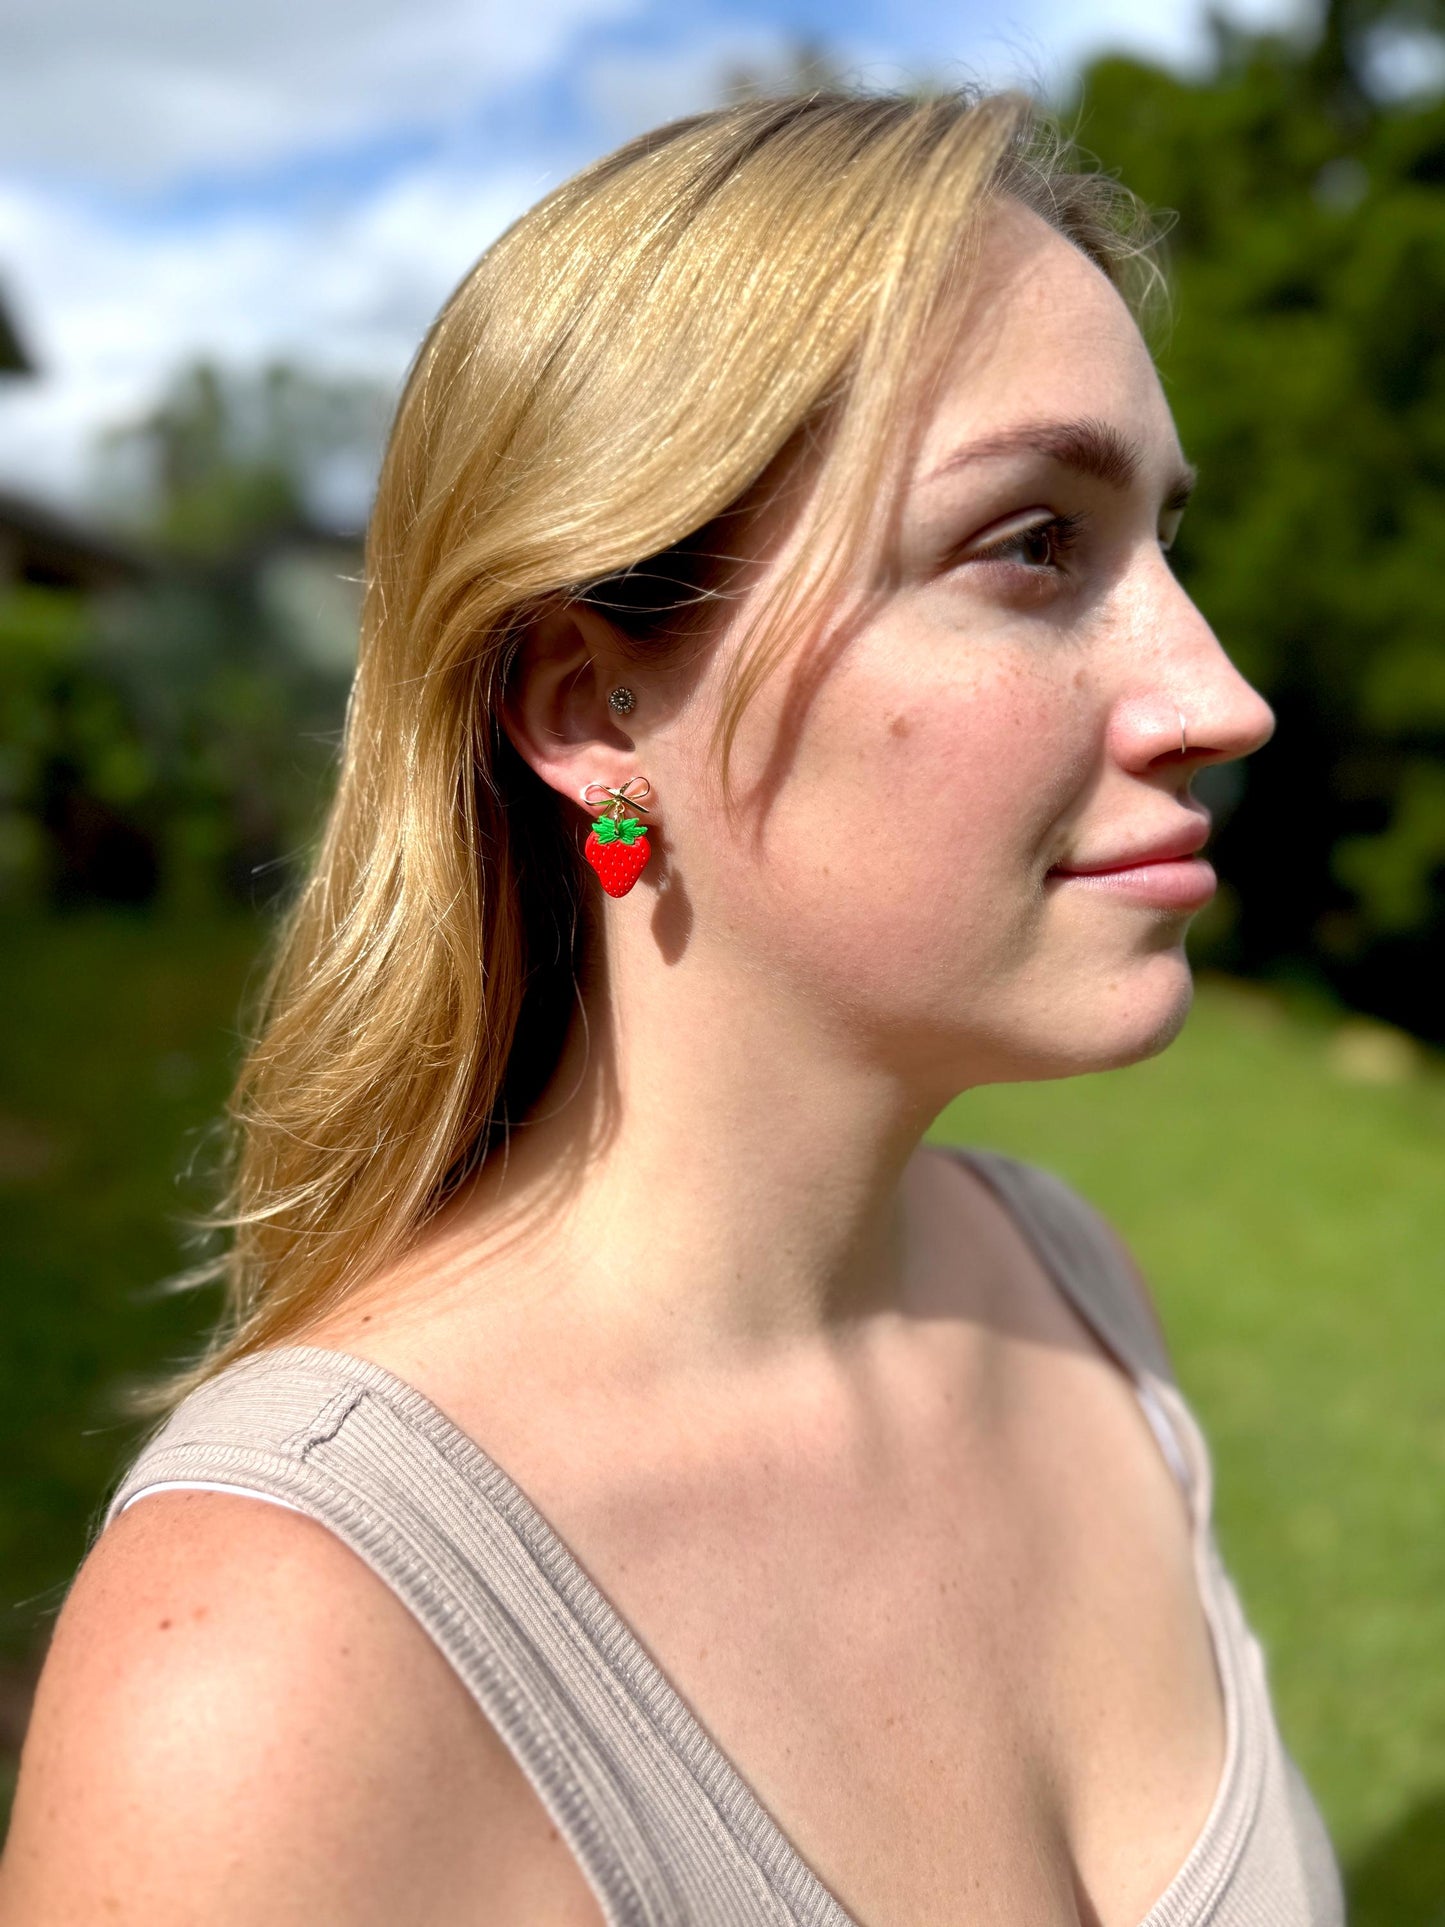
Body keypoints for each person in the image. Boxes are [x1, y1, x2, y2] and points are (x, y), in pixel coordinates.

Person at [0, 84, 1345, 1926]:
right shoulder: (277, 1666)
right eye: (1033, 544)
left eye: (1158, 542)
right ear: (591, 709)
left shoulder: (1066, 1291)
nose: (1217, 693)